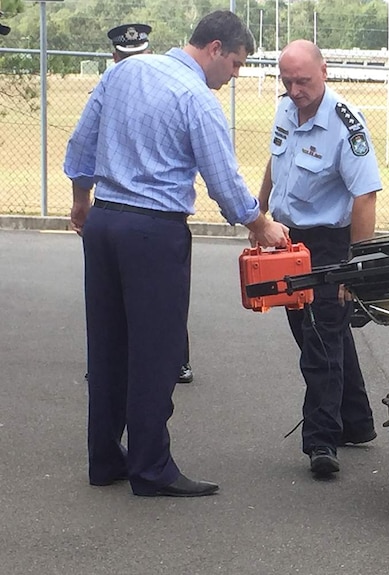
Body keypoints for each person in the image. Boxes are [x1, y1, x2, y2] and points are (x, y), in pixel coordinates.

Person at [64, 10, 290, 497]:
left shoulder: (125, 70)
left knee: (106, 345)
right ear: (213, 48)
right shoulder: (195, 97)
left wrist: (81, 204)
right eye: (235, 64)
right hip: (153, 231)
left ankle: (104, 458)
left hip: (104, 221)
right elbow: (224, 182)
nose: (235, 75)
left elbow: (82, 144)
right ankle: (151, 468)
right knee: (157, 351)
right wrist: (260, 224)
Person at [254, 39, 381, 476]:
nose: (294, 90)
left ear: (324, 72)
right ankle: (358, 422)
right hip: (287, 239)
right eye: (287, 81)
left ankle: (321, 442)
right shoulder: (286, 109)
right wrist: (260, 212)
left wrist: (354, 266)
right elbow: (276, 161)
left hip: (328, 243)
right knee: (321, 333)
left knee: (321, 340)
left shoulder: (346, 124)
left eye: (303, 81)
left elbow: (365, 196)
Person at [106, 22, 196, 385]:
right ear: (115, 56)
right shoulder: (110, 85)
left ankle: (176, 358)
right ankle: (116, 358)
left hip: (148, 209)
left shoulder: (165, 86)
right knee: (120, 297)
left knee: (163, 302)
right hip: (129, 206)